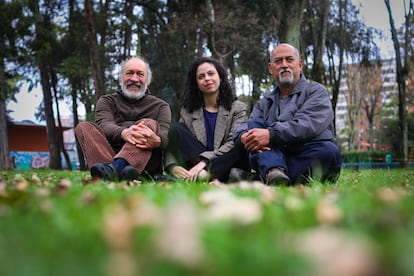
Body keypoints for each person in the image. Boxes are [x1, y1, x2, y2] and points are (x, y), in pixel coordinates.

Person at [233, 43, 342, 185]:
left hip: (306, 153)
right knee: (255, 126)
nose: (284, 65)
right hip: (272, 154)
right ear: (271, 69)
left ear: (300, 65)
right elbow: (247, 126)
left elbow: (308, 124)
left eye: (289, 60)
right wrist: (243, 136)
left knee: (329, 152)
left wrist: (271, 134)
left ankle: (259, 178)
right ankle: (274, 171)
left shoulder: (316, 91)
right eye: (278, 61)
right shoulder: (265, 102)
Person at [75, 56, 171, 181]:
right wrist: (123, 133)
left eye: (140, 74)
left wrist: (157, 140)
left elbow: (166, 135)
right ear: (121, 78)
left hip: (148, 163)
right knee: (83, 127)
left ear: (148, 80)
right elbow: (104, 125)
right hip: (109, 154)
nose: (134, 78)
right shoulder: (106, 101)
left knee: (148, 123)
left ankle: (113, 170)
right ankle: (114, 172)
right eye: (129, 73)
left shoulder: (161, 106)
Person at [164, 56, 249, 182]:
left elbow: (232, 142)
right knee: (176, 129)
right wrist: (172, 166)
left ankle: (208, 174)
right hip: (196, 163)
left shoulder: (238, 109)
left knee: (239, 143)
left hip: (224, 160)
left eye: (211, 74)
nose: (207, 79)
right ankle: (200, 176)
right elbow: (178, 142)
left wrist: (205, 162)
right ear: (196, 84)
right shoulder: (188, 111)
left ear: (219, 77)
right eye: (201, 76)